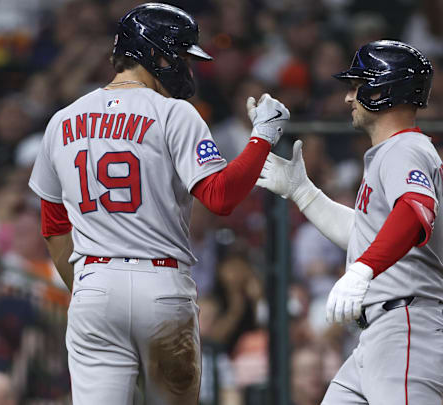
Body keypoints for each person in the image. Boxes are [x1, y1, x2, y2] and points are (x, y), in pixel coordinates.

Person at [27, 4, 289, 405]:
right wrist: (262, 138)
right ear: (156, 54)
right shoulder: (173, 113)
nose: (187, 68)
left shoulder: (63, 120)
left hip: (94, 285)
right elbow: (220, 197)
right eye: (182, 57)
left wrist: (87, 288)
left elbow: (53, 224)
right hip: (161, 288)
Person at [258, 40, 443, 404]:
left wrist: (362, 270)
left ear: (383, 89)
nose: (347, 97)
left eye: (357, 85)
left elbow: (416, 213)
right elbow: (370, 236)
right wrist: (304, 193)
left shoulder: (404, 148)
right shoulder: (394, 151)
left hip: (408, 327)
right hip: (384, 332)